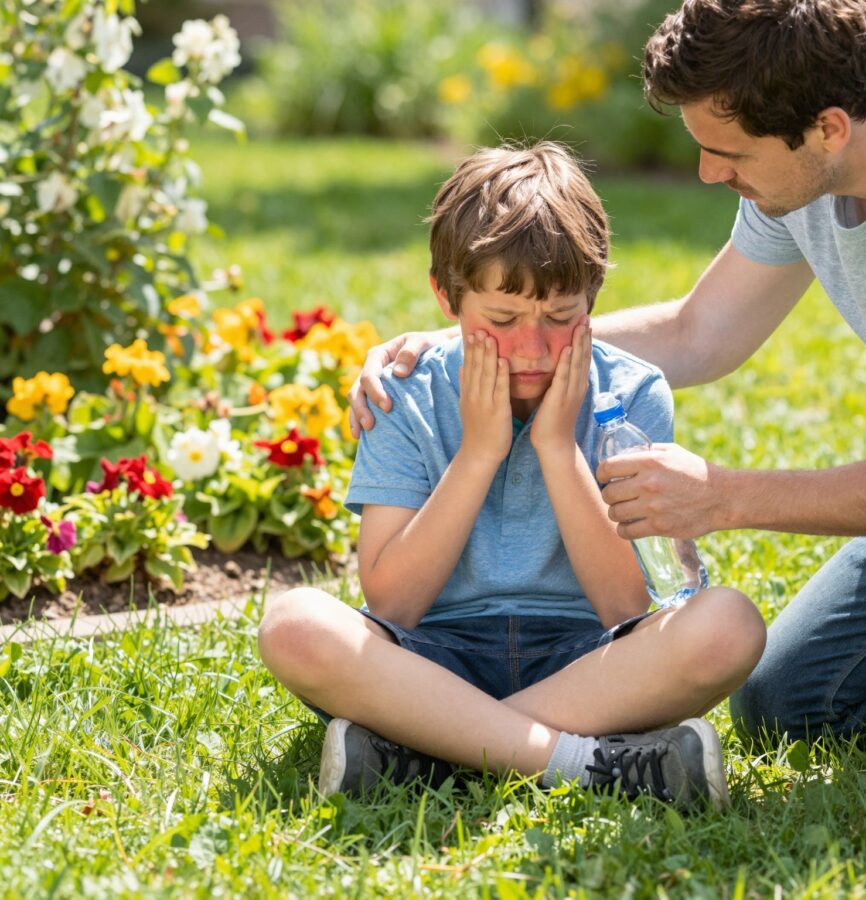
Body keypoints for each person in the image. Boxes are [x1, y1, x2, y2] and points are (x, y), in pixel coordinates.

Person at [347, 1, 866, 839]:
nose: (709, 174)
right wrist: (477, 343)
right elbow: (698, 331)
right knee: (797, 696)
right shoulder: (801, 164)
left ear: (827, 128)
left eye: (726, 152)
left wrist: (724, 496)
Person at [258, 142, 765, 809]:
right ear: (448, 299)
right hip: (433, 656)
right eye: (502, 320)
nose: (533, 348)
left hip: (589, 662)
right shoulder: (405, 393)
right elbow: (392, 604)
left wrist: (558, 448)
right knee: (293, 625)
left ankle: (430, 752)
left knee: (729, 624)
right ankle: (582, 761)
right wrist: (478, 453)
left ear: (594, 298)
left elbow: (624, 608)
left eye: (561, 318)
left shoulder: (632, 393)